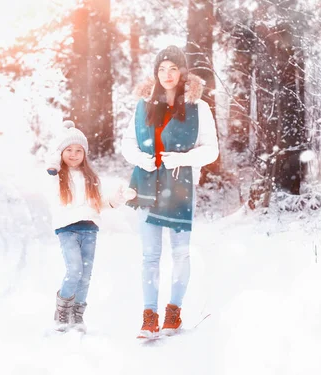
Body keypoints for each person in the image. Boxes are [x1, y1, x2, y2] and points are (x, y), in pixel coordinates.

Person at [121, 45, 219, 338]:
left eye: (173, 68)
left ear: (182, 72)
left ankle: (173, 314)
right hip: (147, 184)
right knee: (150, 255)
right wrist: (142, 159)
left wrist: (184, 159)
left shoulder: (198, 107)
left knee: (180, 253)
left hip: (179, 186)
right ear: (156, 72)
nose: (167, 75)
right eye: (162, 69)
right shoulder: (143, 105)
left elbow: (212, 150)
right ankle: (149, 316)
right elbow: (128, 143)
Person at [46, 120, 136, 333]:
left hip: (89, 228)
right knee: (74, 269)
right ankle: (62, 312)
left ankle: (77, 316)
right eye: (68, 150)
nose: (74, 154)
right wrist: (55, 157)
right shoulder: (55, 175)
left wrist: (120, 197)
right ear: (60, 153)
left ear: (85, 154)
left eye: (79, 150)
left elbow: (101, 203)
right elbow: (50, 163)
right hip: (67, 229)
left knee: (85, 275)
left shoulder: (90, 178)